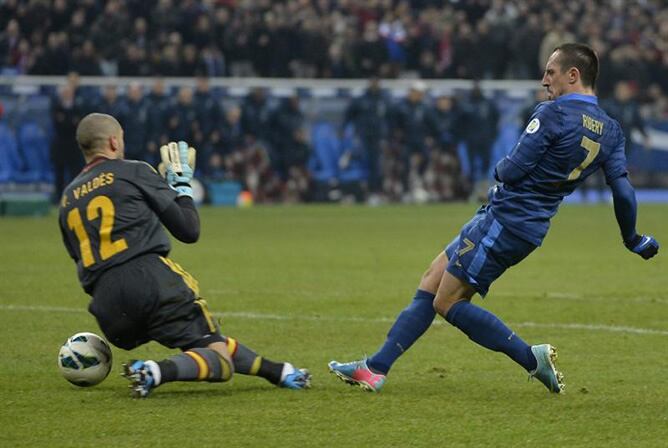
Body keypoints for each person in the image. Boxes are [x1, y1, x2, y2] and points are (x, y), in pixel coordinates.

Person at [328, 43, 659, 394]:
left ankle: (532, 358)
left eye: (551, 72)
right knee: (431, 279)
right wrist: (632, 238)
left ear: (573, 75)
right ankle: (376, 368)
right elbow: (622, 192)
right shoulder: (610, 131)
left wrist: (500, 169)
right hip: (523, 223)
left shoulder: (551, 114)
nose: (545, 80)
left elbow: (512, 170)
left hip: (505, 221)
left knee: (447, 302)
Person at [58, 113, 311, 398]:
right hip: (150, 282)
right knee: (220, 364)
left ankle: (278, 371)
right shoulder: (132, 171)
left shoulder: (67, 198)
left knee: (205, 344)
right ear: (115, 141)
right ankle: (154, 372)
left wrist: (275, 371)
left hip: (108, 309)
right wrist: (181, 187)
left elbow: (77, 257)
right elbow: (189, 230)